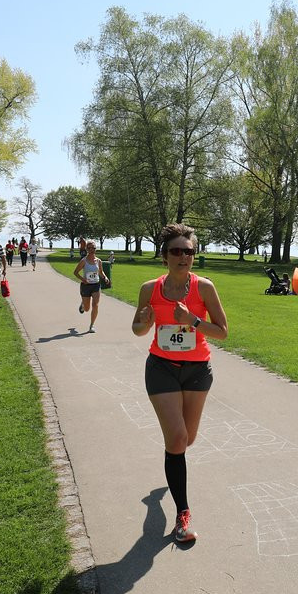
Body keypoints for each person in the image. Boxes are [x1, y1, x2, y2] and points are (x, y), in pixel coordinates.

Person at [131, 223, 228, 543]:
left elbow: (222, 332)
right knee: (176, 440)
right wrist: (143, 323)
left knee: (187, 440)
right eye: (176, 251)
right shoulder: (150, 288)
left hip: (198, 370)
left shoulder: (205, 288)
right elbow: (138, 329)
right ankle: (182, 515)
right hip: (161, 368)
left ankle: (158, 494)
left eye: (189, 251)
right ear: (164, 256)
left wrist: (193, 321)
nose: (183, 256)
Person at [73, 241, 110, 333]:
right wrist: (83, 279)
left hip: (96, 285)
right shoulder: (83, 261)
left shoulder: (98, 261)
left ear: (95, 249)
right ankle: (82, 305)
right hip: (86, 286)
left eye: (93, 248)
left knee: (95, 305)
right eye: (89, 248)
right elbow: (75, 272)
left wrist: (105, 277)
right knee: (87, 309)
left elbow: (101, 272)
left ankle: (91, 325)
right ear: (86, 249)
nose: (91, 250)